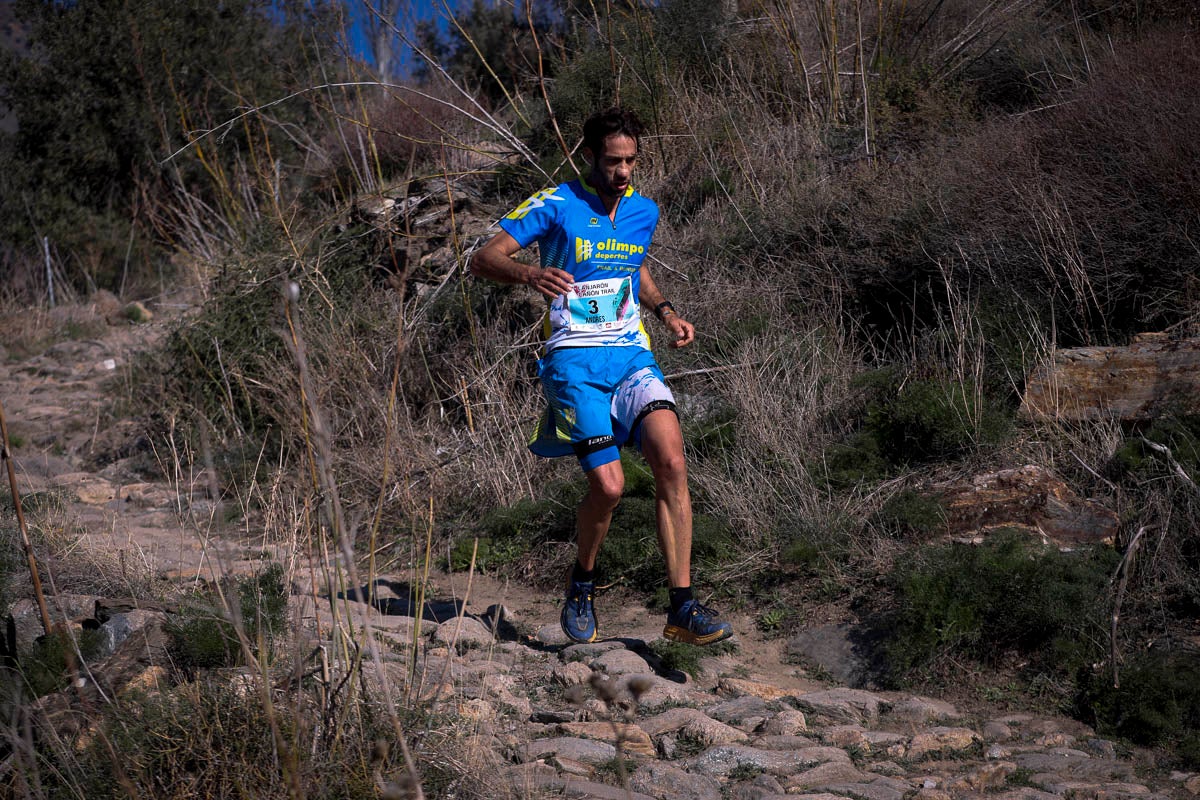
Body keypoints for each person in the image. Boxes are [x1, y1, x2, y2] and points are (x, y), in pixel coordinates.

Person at [470, 107, 733, 646]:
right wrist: (529, 272)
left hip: (632, 355)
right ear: (588, 156)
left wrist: (665, 312)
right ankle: (582, 581)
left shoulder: (643, 210)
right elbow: (483, 256)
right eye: (613, 161)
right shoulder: (554, 203)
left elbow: (635, 265)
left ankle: (682, 606)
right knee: (609, 487)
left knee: (672, 460)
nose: (623, 172)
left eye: (631, 161)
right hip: (574, 362)